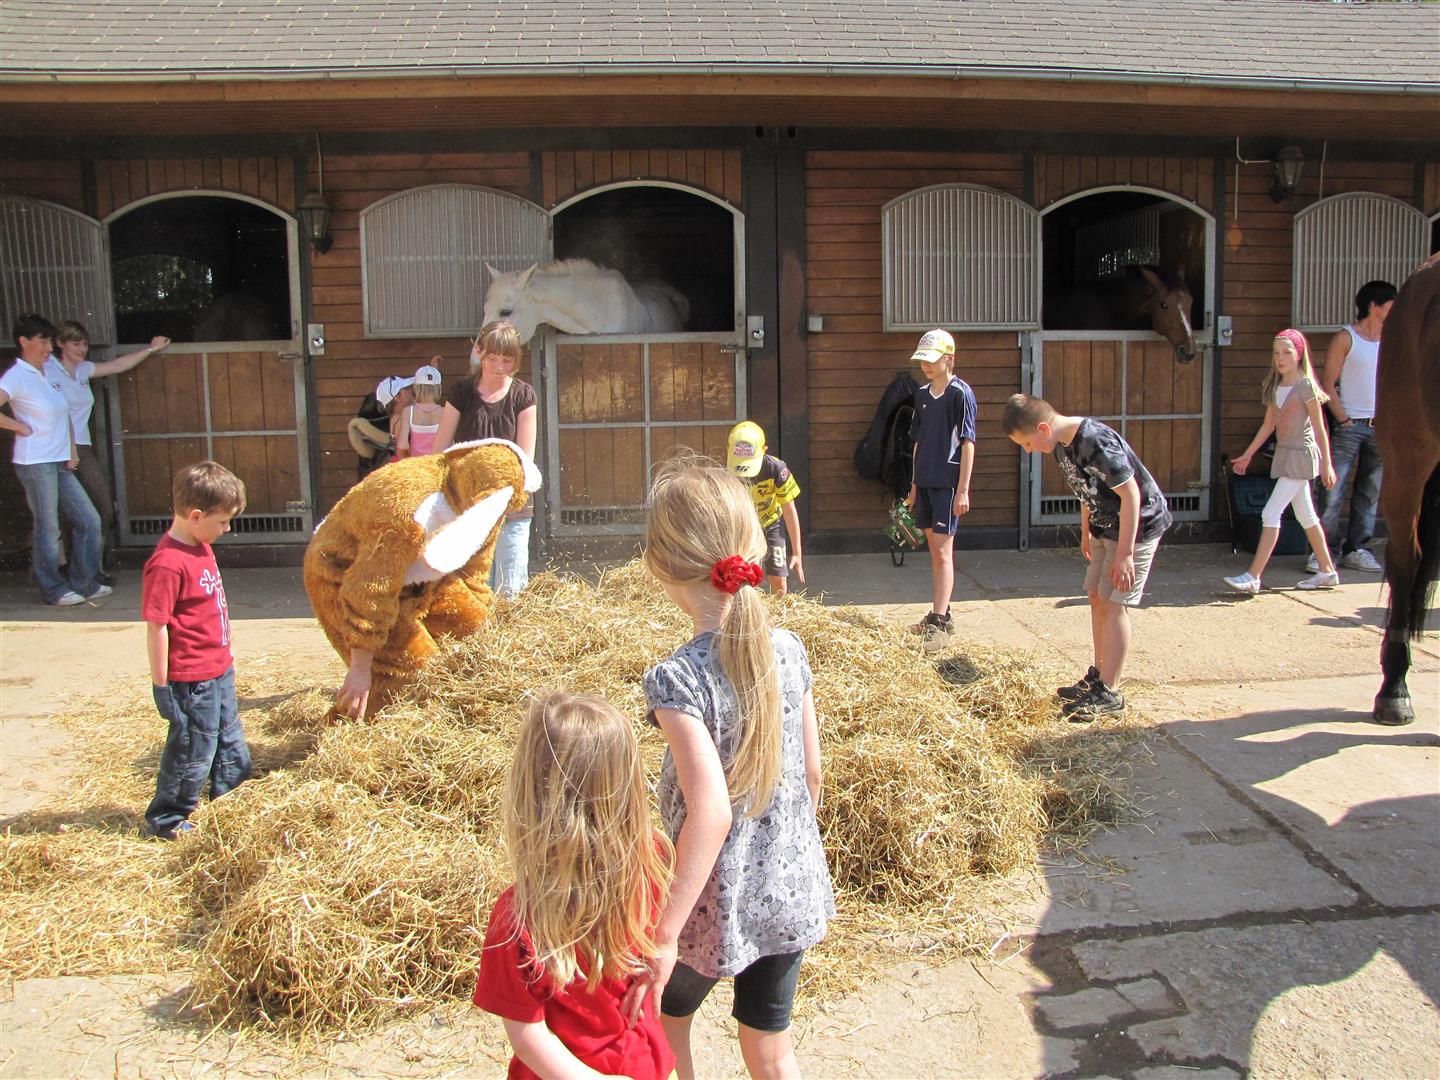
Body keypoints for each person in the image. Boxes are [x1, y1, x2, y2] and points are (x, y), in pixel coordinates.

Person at [636, 458, 833, 1080]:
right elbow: (812, 775)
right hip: (789, 886)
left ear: (659, 564)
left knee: (665, 1021)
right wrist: (786, 851)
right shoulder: (789, 649)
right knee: (771, 1047)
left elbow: (711, 813)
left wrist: (664, 934)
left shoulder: (677, 679)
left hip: (708, 902)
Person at [473, 690, 676, 1080]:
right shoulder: (654, 859)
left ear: (532, 790)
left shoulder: (518, 916)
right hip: (641, 1062)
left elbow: (528, 1036)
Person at [1002, 393, 1172, 721]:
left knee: (1113, 603)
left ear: (1042, 428)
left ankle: (1112, 692)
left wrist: (1125, 554)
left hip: (1136, 528)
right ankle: (1099, 676)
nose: (1029, 450)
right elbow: (1084, 489)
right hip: (1104, 527)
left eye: (1027, 443)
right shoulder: (1061, 445)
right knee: (1096, 596)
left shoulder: (1095, 442)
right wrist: (1086, 529)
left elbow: (1132, 494)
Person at [142, 460, 252, 840]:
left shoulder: (201, 546)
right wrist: (161, 685)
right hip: (192, 679)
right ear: (195, 516)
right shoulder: (167, 564)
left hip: (218, 668)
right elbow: (156, 626)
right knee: (193, 749)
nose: (227, 529)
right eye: (222, 521)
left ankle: (232, 802)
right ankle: (168, 819)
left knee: (229, 738)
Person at [0, 314, 109, 606]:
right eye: (43, 341)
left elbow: (65, 414)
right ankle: (54, 588)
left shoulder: (48, 372)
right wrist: (18, 426)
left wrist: (71, 450)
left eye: (50, 341)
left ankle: (84, 581)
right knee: (48, 527)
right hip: (35, 462)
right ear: (24, 342)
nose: (49, 347)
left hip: (60, 461)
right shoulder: (17, 375)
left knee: (89, 520)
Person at [49, 321, 172, 574]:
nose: (82, 348)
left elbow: (117, 365)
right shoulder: (48, 369)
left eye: (85, 344)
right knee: (60, 510)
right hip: (55, 447)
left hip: (81, 447)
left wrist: (151, 349)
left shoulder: (83, 369)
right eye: (76, 343)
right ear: (60, 343)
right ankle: (64, 565)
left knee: (102, 506)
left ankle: (89, 566)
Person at [1224, 329, 1340, 594]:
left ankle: (1253, 576)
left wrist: (1326, 463)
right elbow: (1268, 426)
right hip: (1285, 454)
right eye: (1276, 353)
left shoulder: (1306, 385)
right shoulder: (1276, 386)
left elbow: (1320, 427)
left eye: (1287, 352)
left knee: (1270, 512)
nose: (1280, 358)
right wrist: (1248, 454)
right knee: (1305, 515)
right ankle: (1326, 570)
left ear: (1299, 354)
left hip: (1301, 456)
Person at [433, 320, 537, 598]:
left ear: (516, 360)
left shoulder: (523, 395)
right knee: (470, 589)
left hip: (510, 506)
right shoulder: (461, 393)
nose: (499, 366)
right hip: (468, 506)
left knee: (510, 590)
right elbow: (440, 449)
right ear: (479, 352)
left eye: (507, 359)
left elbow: (525, 458)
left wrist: (509, 494)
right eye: (492, 357)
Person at [1312, 279, 1397, 575]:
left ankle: (1357, 548)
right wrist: (1344, 420)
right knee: (1332, 490)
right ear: (1374, 306)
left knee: (1369, 491)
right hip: (1350, 425)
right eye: (1391, 303)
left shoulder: (1392, 339)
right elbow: (1328, 382)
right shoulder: (1346, 337)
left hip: (1381, 425)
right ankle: (1324, 551)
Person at [904, 328, 977, 643]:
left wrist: (963, 489)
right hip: (925, 482)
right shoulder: (921, 395)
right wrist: (914, 485)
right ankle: (940, 612)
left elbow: (968, 441)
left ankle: (940, 619)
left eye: (933, 360)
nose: (927, 366)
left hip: (947, 484)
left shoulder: (960, 393)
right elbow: (917, 442)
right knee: (934, 550)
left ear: (950, 359)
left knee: (944, 552)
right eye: (923, 360)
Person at [726, 420, 805, 595]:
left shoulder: (777, 469)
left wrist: (797, 552)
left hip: (771, 523)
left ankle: (778, 606)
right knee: (740, 575)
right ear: (728, 450)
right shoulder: (725, 473)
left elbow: (789, 510)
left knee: (778, 578)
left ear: (764, 450)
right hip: (741, 527)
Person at [347, 374, 414, 480]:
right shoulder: (399, 420)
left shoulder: (397, 419)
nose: (411, 390)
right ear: (397, 397)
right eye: (407, 389)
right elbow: (403, 450)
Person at [393, 361, 444, 458]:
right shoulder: (445, 412)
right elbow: (450, 446)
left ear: (415, 387)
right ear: (439, 388)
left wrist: (409, 464)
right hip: (438, 465)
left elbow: (402, 446)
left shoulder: (409, 412)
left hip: (417, 465)